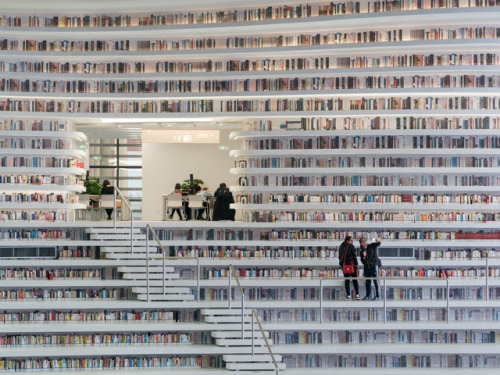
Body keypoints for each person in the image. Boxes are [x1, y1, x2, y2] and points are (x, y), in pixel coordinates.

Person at [338, 236, 360, 300]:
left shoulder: (341, 246)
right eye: (351, 240)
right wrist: (356, 264)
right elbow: (354, 256)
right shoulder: (351, 246)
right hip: (351, 265)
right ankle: (357, 295)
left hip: (344, 266)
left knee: (347, 280)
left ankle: (348, 296)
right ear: (347, 241)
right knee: (354, 280)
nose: (352, 241)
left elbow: (339, 257)